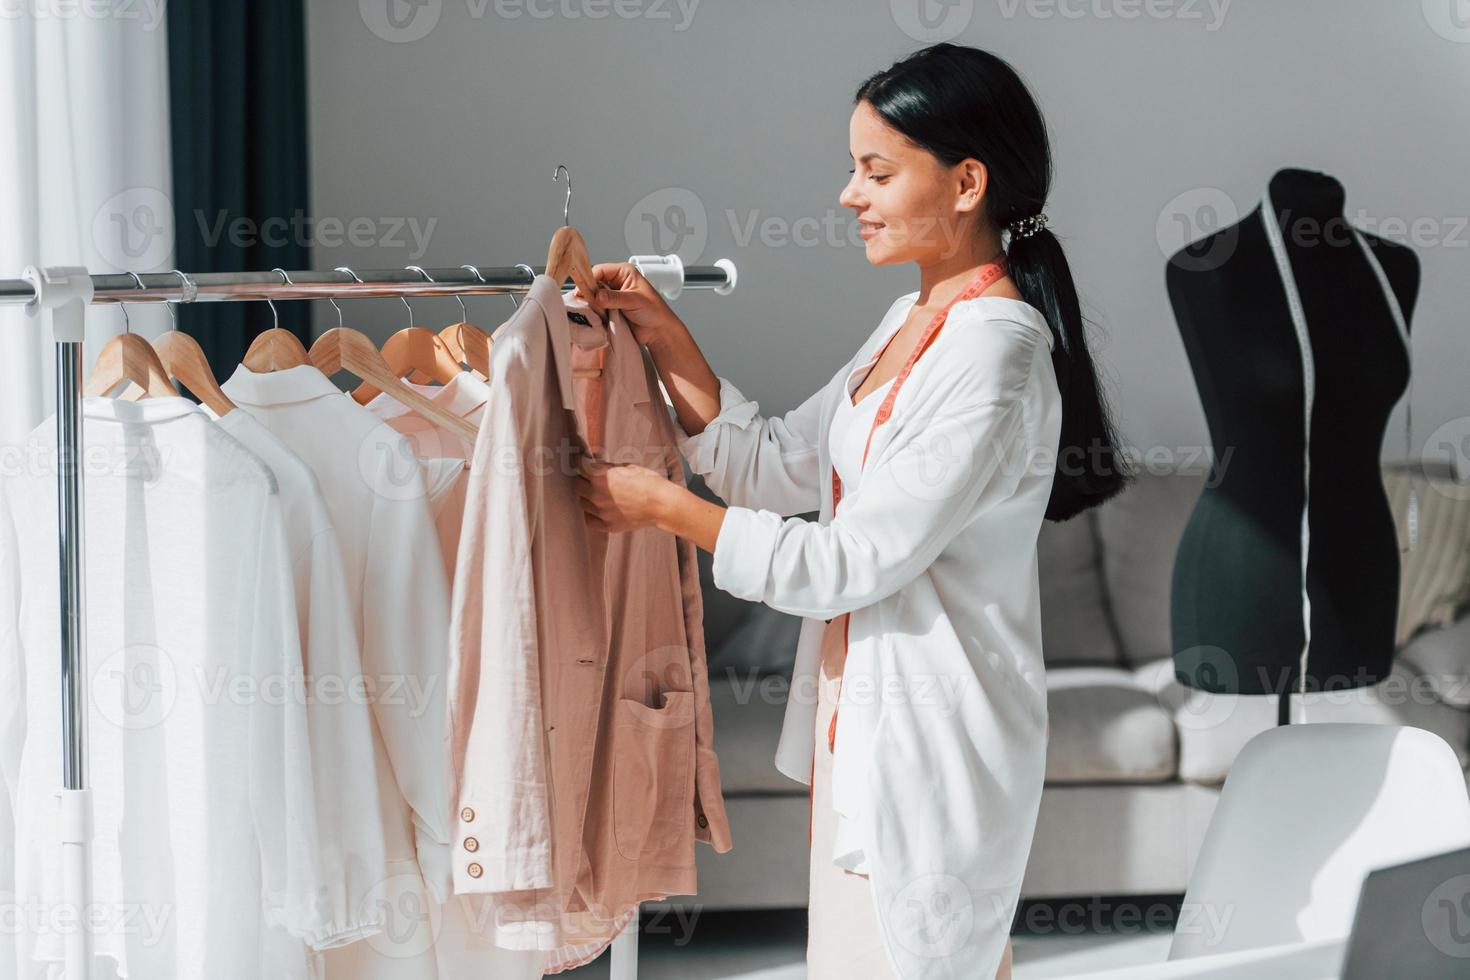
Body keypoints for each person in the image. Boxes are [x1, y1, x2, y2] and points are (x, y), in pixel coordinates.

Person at [575, 42, 1129, 980]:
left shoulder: (993, 355)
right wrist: (669, 339)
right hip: (867, 733)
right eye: (852, 169)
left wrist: (662, 507)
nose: (849, 196)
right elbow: (778, 464)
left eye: (876, 171)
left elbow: (850, 563)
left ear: (966, 183)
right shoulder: (912, 324)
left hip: (935, 743)